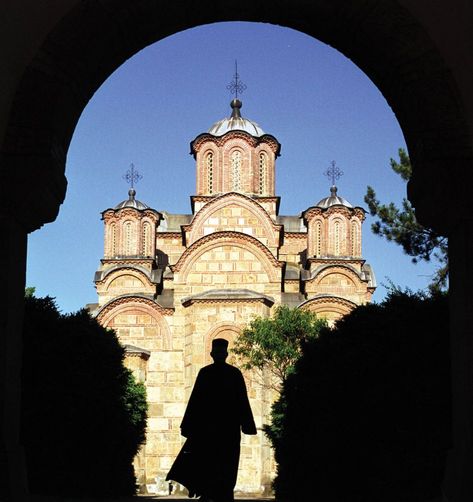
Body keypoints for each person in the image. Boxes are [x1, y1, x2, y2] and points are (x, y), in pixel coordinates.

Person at [167, 338, 257, 502]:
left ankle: (218, 493)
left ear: (222, 354)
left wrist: (247, 424)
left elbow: (241, 400)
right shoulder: (214, 373)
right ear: (214, 354)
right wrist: (247, 425)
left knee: (224, 463)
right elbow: (196, 400)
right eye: (218, 352)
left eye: (220, 352)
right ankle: (213, 493)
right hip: (214, 430)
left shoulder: (216, 373)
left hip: (219, 430)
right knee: (214, 462)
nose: (219, 355)